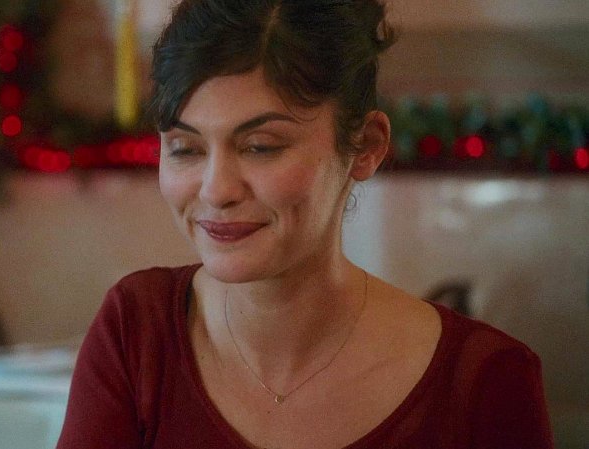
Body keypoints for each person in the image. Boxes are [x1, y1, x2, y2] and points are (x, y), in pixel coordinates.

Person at [56, 0, 554, 448]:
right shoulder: (137, 334)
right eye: (186, 149)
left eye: (260, 147)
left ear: (366, 146)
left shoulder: (485, 381)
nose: (216, 190)